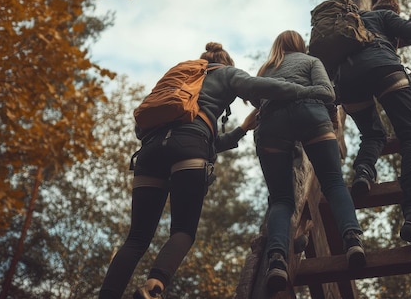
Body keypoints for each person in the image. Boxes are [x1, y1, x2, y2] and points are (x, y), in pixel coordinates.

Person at [98, 42, 335, 299]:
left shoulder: (180, 78)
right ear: (226, 62)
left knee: (136, 239)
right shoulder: (225, 73)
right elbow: (263, 87)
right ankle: (153, 287)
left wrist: (242, 129)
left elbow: (150, 127)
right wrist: (307, 91)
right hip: (190, 146)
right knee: (182, 231)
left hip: (150, 150)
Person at [254, 30, 365, 293]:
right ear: (301, 46)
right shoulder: (311, 62)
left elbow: (256, 99)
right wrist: (332, 119)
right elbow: (327, 93)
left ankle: (277, 260)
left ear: (277, 45)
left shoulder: (266, 68)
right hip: (312, 115)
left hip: (271, 125)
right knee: (334, 183)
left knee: (281, 199)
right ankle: (352, 240)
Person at [335, 0, 411, 246]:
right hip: (383, 68)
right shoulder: (384, 15)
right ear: (393, 11)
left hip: (346, 82)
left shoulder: (351, 24)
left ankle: (364, 172)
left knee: (373, 134)